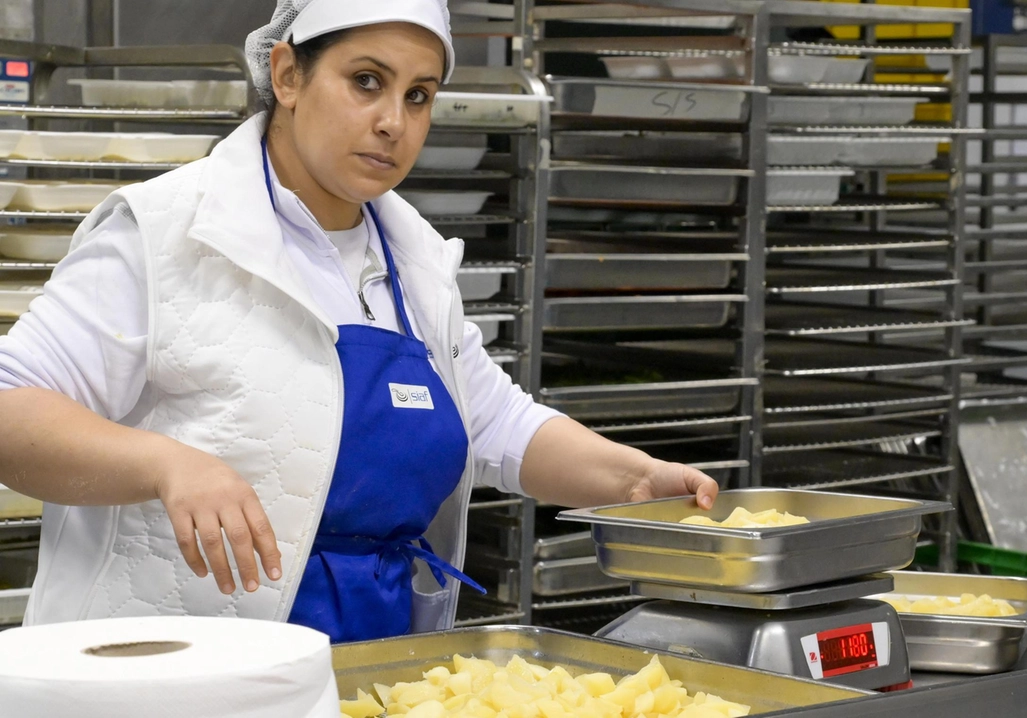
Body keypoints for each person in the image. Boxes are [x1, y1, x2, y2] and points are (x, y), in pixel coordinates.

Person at [0, 0, 717, 643]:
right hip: (177, 678)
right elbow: (10, 411)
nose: (392, 122)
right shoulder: (163, 237)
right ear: (286, 75)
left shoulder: (413, 262)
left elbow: (496, 423)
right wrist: (165, 464)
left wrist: (634, 481)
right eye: (366, 81)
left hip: (368, 665)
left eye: (419, 96)